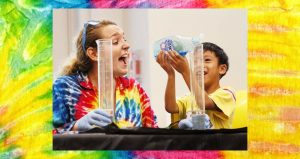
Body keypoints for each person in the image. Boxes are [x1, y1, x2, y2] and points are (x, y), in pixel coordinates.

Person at [53, 20, 157, 134]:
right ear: (94, 54)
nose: (127, 45)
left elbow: (154, 134)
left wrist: (177, 127)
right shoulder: (65, 88)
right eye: (115, 41)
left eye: (124, 39)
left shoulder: (134, 88)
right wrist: (76, 127)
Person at [156, 42, 236, 129]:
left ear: (222, 69)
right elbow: (170, 107)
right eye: (195, 62)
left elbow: (204, 102)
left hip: (216, 142)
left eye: (207, 60)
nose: (199, 65)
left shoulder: (227, 93)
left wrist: (185, 71)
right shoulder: (190, 97)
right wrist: (170, 74)